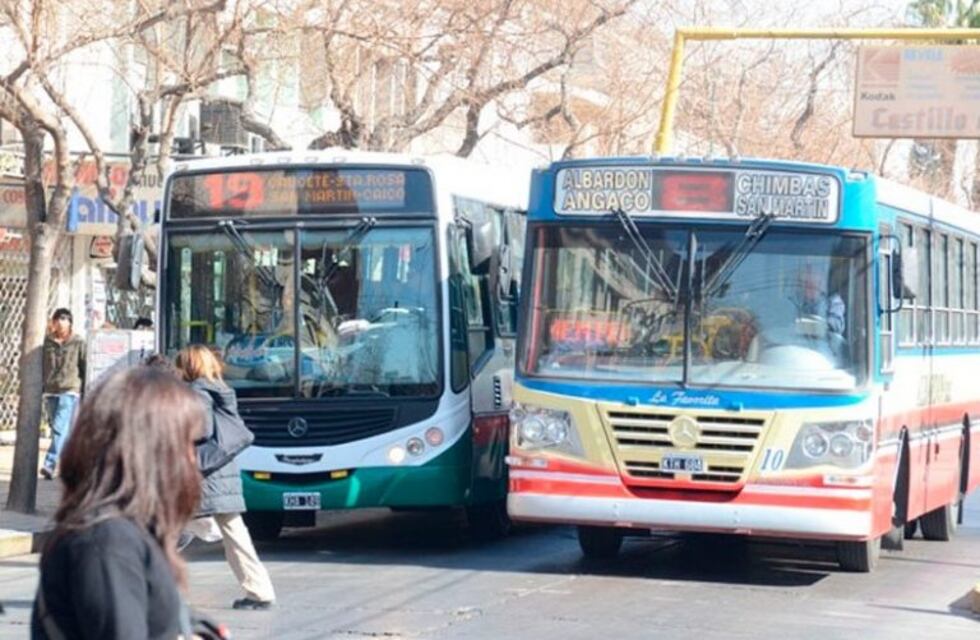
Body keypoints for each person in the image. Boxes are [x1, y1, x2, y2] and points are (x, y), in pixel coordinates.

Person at [31, 367, 205, 639]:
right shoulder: (108, 542)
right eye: (187, 444)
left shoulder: (126, 531)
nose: (194, 459)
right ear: (154, 452)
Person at [174, 345, 277, 611]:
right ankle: (259, 590)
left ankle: (148, 588)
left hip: (204, 473)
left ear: (189, 365)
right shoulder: (220, 388)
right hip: (221, 471)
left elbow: (201, 429)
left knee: (164, 527)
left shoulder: (197, 391)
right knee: (233, 533)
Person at [41, 308, 86, 480]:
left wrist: (83, 388)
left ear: (70, 322)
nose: (61, 322)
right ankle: (74, 465)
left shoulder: (78, 342)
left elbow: (84, 365)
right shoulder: (47, 343)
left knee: (59, 428)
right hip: (51, 390)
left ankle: (49, 464)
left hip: (70, 390)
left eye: (65, 319)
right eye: (58, 319)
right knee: (61, 431)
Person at [798, 266, 846, 335]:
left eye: (813, 285)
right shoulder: (796, 301)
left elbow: (836, 325)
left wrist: (816, 325)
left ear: (822, 284)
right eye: (806, 285)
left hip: (825, 343)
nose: (809, 289)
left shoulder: (833, 302)